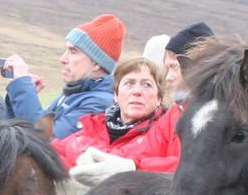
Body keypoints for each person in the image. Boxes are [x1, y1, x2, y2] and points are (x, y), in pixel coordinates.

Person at [51, 56, 181, 187]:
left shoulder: (167, 127)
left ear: (159, 98)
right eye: (129, 83)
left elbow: (184, 166)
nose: (137, 91)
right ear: (116, 94)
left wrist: (134, 167)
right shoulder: (95, 126)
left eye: (147, 85)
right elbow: (52, 152)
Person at [2, 13, 124, 138]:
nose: (63, 59)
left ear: (96, 63)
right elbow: (14, 137)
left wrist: (23, 88)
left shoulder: (99, 104)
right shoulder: (72, 94)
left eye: (73, 51)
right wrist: (15, 98)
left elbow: (44, 142)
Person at [164, 21, 213, 102]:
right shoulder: (176, 111)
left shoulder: (221, 110)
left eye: (174, 67)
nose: (168, 77)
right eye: (167, 69)